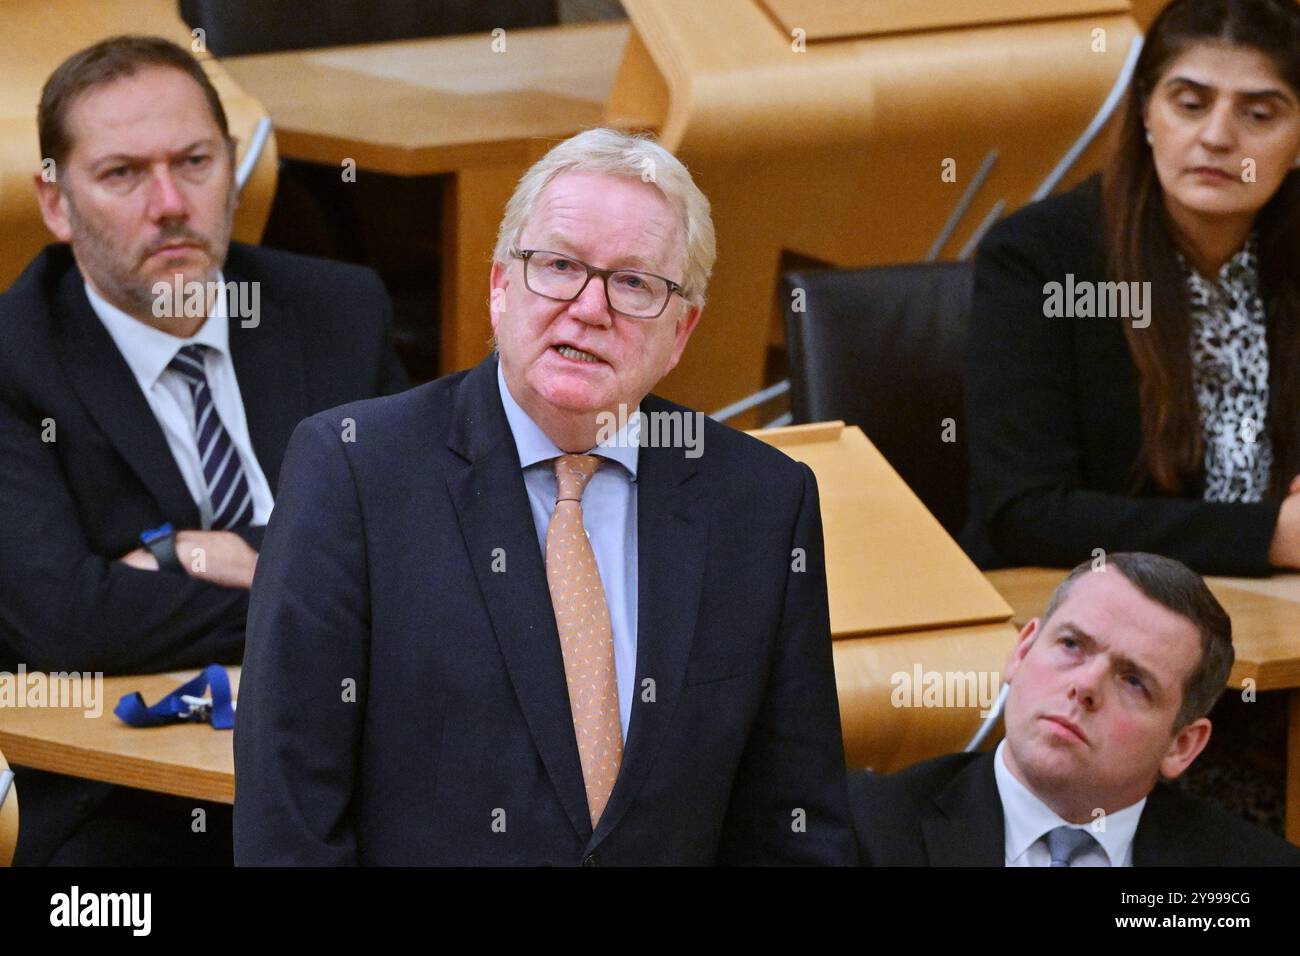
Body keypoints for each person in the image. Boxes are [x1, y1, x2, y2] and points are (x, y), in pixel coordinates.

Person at [233, 128, 856, 865]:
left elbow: (795, 820)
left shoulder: (760, 500)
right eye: (558, 265)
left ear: (681, 330)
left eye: (634, 283)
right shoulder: (356, 471)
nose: (589, 307)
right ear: (500, 285)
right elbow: (289, 817)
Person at [0, 35, 407, 865]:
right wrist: (321, 582)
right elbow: (66, 624)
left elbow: (418, 549)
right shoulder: (15, 357)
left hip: (361, 742)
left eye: (194, 161)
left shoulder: (336, 310)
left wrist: (220, 560)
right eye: (121, 175)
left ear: (233, 166)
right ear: (55, 202)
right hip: (121, 792)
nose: (170, 203)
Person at [961, 0, 1300, 577]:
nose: (1217, 137)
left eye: (1260, 115)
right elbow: (1023, 513)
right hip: (1088, 621)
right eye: (1189, 105)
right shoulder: (1041, 259)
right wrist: (1268, 537)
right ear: (1145, 111)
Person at [851, 552, 1300, 866]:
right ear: (1022, 651)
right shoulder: (861, 831)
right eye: (1071, 645)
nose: (1085, 686)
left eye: (1133, 681)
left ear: (1182, 745)